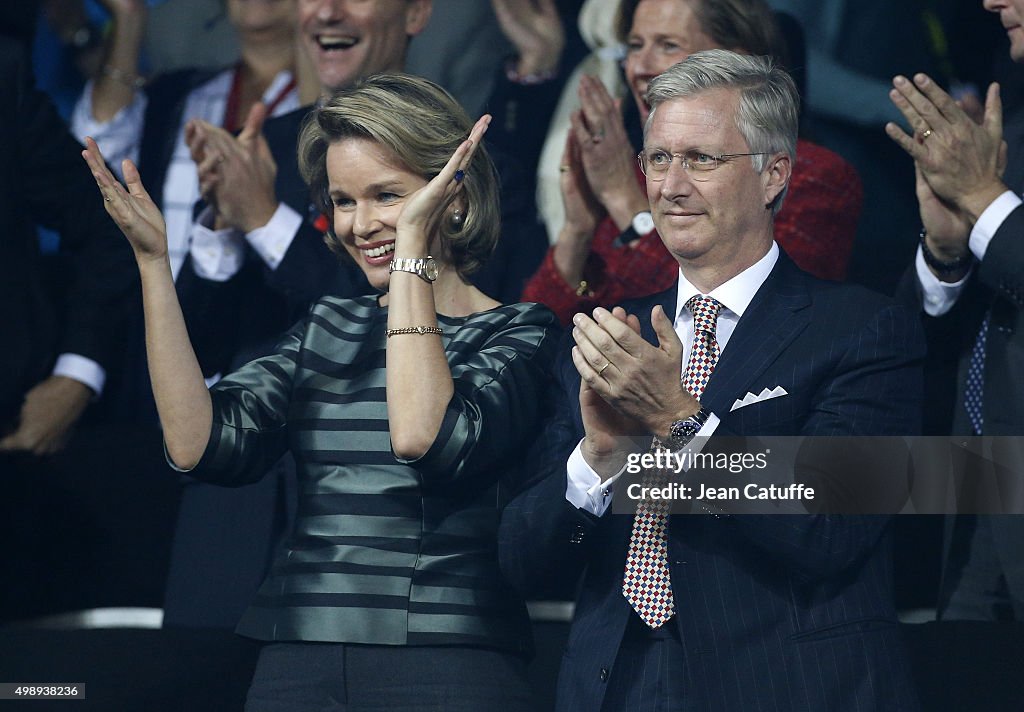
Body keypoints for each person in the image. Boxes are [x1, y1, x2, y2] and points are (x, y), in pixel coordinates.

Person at [83, 72, 557, 710]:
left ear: (455, 197)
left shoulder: (520, 333)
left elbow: (423, 436)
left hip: (449, 663)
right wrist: (153, 266)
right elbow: (198, 442)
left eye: (386, 195)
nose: (360, 225)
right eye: (343, 201)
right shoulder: (328, 327)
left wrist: (413, 246)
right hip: (296, 662)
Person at [500, 50, 924, 711]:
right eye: (658, 159)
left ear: (772, 174)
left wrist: (682, 424)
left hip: (785, 687)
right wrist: (597, 460)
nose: (669, 186)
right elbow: (526, 564)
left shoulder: (863, 332)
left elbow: (827, 533)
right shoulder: (611, 336)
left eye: (701, 159)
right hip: (617, 687)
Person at [522, 0, 863, 326]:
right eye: (635, 45)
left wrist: (623, 199)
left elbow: (735, 317)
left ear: (734, 62)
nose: (639, 67)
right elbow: (535, 341)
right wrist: (577, 230)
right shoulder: (638, 174)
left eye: (668, 45)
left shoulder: (814, 176)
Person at [886, 0, 1024, 619]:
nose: (994, 1)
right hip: (980, 515)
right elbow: (916, 347)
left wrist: (981, 197)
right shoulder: (1013, 131)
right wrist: (947, 255)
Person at [71, 0, 300, 280]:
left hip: (282, 313)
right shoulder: (181, 93)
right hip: (164, 312)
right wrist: (129, 17)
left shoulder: (331, 107)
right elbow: (99, 150)